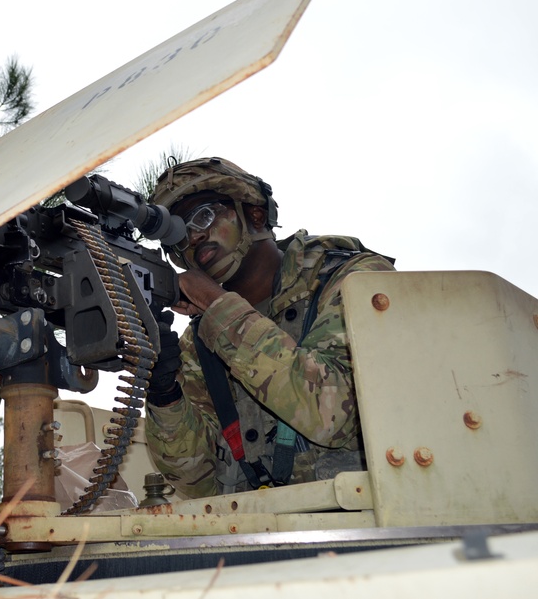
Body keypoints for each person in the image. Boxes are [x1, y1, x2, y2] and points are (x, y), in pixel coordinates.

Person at [144, 157, 395, 497]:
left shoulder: (352, 279)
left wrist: (218, 306)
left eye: (203, 216)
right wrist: (165, 393)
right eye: (178, 236)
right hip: (256, 529)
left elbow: (334, 416)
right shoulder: (201, 340)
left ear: (254, 214)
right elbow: (196, 481)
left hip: (367, 524)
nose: (193, 237)